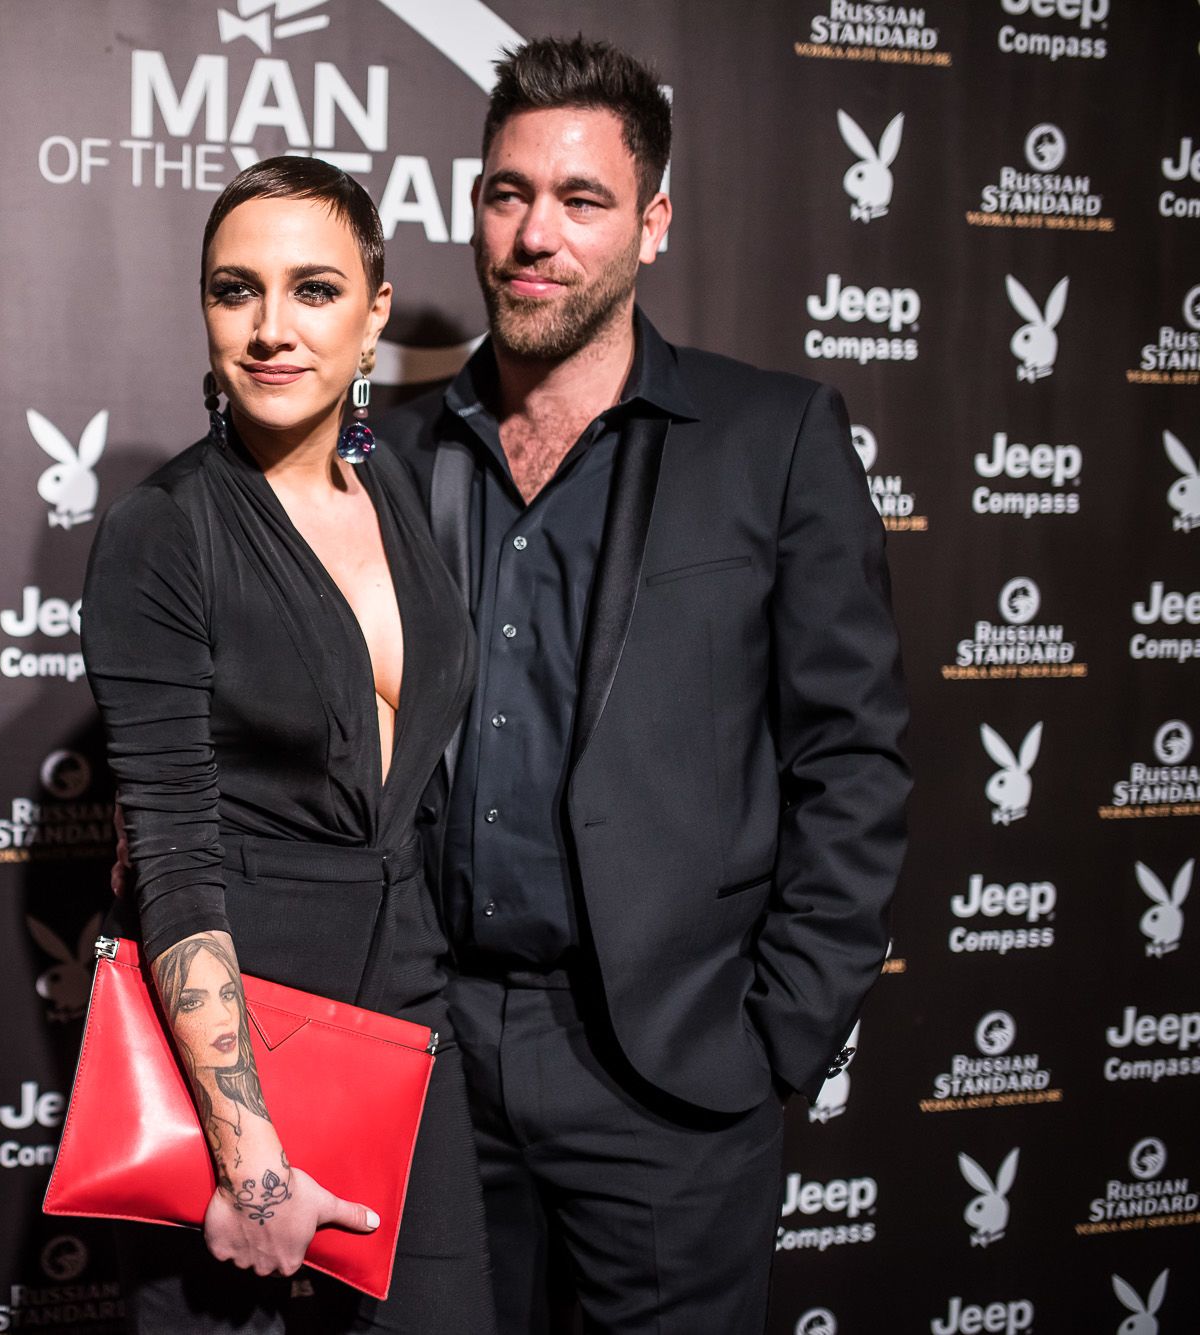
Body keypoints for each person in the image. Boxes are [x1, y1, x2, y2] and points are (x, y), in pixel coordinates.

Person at [376, 37, 911, 1335]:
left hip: (666, 1063)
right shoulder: (386, 449)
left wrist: (780, 1028)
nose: (534, 235)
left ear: (653, 224)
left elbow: (852, 755)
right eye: (507, 194)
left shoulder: (771, 438)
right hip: (423, 1051)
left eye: (582, 199)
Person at [82, 157, 494, 1333]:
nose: (270, 328)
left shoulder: (393, 493)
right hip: (231, 1062)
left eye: (313, 289)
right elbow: (171, 857)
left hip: (403, 1031)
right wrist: (248, 1158)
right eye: (235, 290)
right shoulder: (164, 531)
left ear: (373, 313)